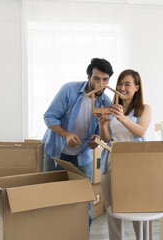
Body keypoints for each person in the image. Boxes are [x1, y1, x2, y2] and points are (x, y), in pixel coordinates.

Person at [41, 58, 113, 227]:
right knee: (50, 198)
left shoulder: (106, 102)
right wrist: (66, 135)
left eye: (105, 79)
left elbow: (103, 133)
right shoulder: (69, 90)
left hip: (82, 156)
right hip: (56, 153)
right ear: (88, 77)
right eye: (96, 78)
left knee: (83, 202)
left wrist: (95, 140)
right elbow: (49, 116)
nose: (100, 84)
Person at [96, 69, 152, 240]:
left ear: (137, 87)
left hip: (136, 163)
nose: (122, 87)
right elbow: (107, 138)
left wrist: (122, 118)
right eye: (120, 83)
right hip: (112, 161)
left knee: (139, 208)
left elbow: (141, 131)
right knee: (113, 209)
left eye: (127, 84)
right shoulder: (112, 108)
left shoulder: (144, 109)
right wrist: (103, 123)